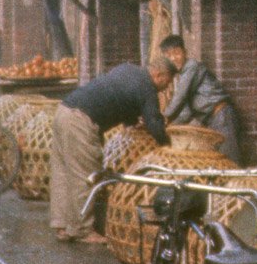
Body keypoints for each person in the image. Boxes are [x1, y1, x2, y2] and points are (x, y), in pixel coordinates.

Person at [49, 56, 176, 244]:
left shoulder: (127, 68)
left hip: (64, 111)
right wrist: (169, 146)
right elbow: (155, 124)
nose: (166, 87)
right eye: (168, 81)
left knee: (63, 172)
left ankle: (62, 225)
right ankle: (82, 230)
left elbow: (120, 100)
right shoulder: (147, 87)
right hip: (81, 121)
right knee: (85, 175)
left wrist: (133, 122)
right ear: (159, 74)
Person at [158, 34, 242, 164]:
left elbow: (180, 97)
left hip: (222, 116)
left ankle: (240, 184)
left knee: (231, 162)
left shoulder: (192, 66)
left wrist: (165, 117)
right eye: (169, 55)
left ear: (184, 52)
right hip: (212, 121)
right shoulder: (184, 77)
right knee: (220, 163)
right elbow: (186, 112)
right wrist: (167, 126)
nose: (173, 58)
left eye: (177, 53)